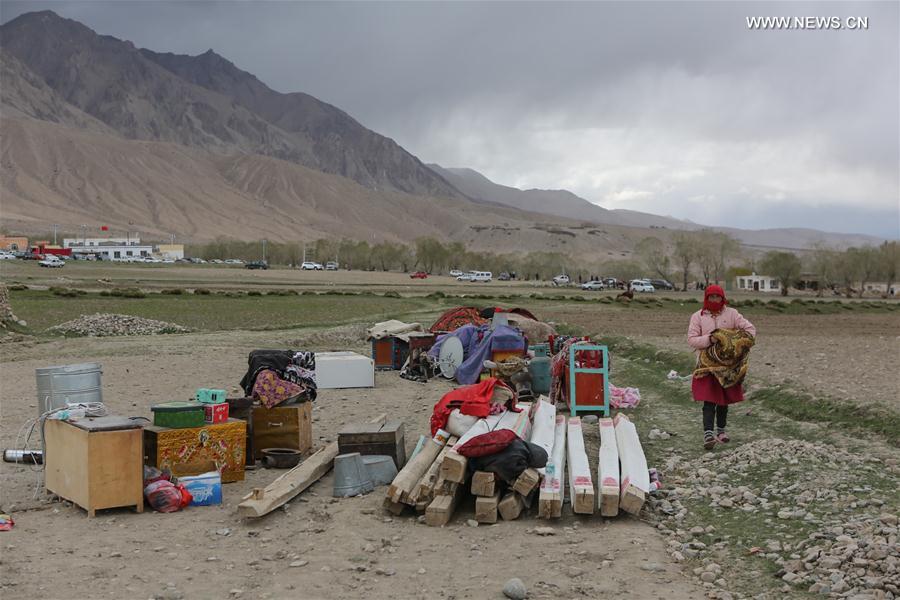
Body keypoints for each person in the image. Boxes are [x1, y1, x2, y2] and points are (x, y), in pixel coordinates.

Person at [687, 285, 756, 450]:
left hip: (727, 366)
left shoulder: (732, 314)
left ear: (722, 298)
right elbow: (692, 339)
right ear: (706, 298)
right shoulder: (697, 316)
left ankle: (721, 431)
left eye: (717, 297)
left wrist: (733, 339)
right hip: (707, 366)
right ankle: (708, 434)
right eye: (711, 297)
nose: (714, 300)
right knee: (709, 400)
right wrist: (711, 339)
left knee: (723, 400)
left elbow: (750, 330)